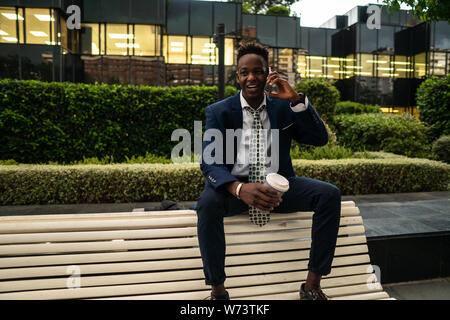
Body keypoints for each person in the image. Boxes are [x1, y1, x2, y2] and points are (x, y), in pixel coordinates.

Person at [197, 41, 341, 300]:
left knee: (329, 195)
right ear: (238, 76)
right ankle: (218, 290)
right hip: (234, 189)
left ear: (268, 74)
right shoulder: (218, 112)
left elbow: (319, 139)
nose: (251, 77)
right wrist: (239, 188)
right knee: (207, 204)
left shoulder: (284, 107)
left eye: (258, 71)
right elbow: (209, 162)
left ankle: (312, 286)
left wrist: (296, 100)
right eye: (244, 72)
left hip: (278, 187)